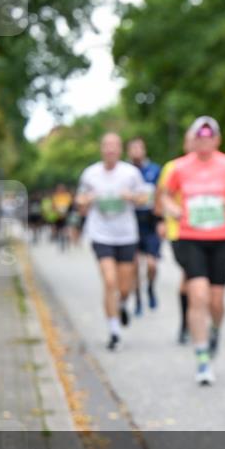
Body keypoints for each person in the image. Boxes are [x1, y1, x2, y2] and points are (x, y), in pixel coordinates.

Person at [161, 116, 225, 385]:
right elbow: (165, 194)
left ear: (217, 139)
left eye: (209, 137)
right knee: (197, 294)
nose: (204, 142)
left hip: (222, 237)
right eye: (199, 137)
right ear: (193, 140)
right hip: (191, 237)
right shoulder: (179, 167)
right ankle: (202, 357)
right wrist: (172, 209)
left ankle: (214, 331)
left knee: (216, 300)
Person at [76, 132, 149, 351]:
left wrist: (132, 197)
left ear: (120, 150)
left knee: (125, 287)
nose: (110, 150)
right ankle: (114, 331)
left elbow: (145, 198)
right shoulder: (90, 174)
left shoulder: (131, 173)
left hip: (126, 234)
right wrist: (85, 200)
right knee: (109, 281)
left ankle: (123, 304)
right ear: (101, 149)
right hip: (100, 234)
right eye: (106, 145)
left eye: (114, 146)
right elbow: (79, 201)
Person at [156, 127, 195, 344]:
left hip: (207, 232)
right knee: (190, 274)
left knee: (197, 279)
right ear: (185, 144)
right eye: (191, 141)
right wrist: (163, 219)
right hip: (178, 230)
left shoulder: (211, 166)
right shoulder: (173, 167)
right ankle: (186, 323)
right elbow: (163, 195)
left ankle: (194, 319)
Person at [127, 137, 162, 316]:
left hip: (150, 223)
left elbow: (162, 195)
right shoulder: (124, 172)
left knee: (151, 265)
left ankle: (150, 288)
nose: (136, 152)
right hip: (130, 224)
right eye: (132, 148)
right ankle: (138, 300)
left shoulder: (155, 170)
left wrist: (162, 220)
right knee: (133, 267)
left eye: (139, 148)